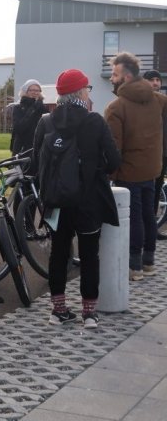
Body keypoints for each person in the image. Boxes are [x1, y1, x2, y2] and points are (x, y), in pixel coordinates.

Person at [34, 69, 121, 328]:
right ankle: (89, 313)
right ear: (82, 92)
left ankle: (58, 310)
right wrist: (96, 171)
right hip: (88, 200)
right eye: (88, 89)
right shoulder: (94, 121)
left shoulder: (46, 121)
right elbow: (114, 160)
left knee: (58, 253)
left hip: (56, 201)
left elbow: (35, 163)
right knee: (89, 254)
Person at [104, 53, 167, 281]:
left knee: (135, 218)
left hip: (128, 171)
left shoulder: (116, 107)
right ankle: (149, 263)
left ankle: (135, 267)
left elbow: (113, 148)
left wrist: (110, 174)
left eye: (115, 74)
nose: (112, 78)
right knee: (149, 216)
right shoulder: (159, 100)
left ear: (127, 77)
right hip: (153, 168)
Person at [143, 70, 167, 240]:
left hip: (163, 153)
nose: (156, 83)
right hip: (148, 155)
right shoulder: (142, 102)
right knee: (147, 193)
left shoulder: (164, 102)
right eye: (152, 80)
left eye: (158, 80)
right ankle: (144, 231)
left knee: (156, 191)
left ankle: (152, 230)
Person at [11, 79, 48, 156]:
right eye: (32, 90)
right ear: (26, 91)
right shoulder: (18, 108)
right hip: (22, 148)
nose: (35, 92)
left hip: (39, 147)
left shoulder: (43, 108)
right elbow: (19, 128)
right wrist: (33, 109)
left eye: (38, 90)